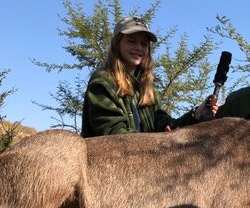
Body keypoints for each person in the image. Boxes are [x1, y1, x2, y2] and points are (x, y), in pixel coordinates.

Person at [81, 16, 216, 137]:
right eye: (131, 41)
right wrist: (160, 142)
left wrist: (196, 114)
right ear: (117, 44)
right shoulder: (102, 81)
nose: (139, 47)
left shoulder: (146, 86)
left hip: (144, 159)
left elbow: (164, 124)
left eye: (144, 44)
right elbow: (113, 134)